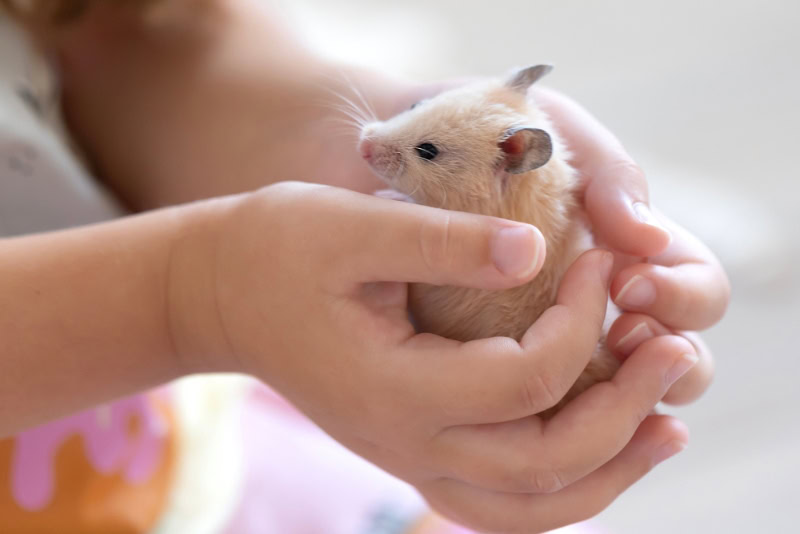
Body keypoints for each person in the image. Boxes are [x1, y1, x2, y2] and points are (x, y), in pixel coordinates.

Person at [0, 1, 728, 532]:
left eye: (425, 141)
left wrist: (303, 135)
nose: (374, 140)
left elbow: (114, 29)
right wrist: (192, 297)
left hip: (189, 445)